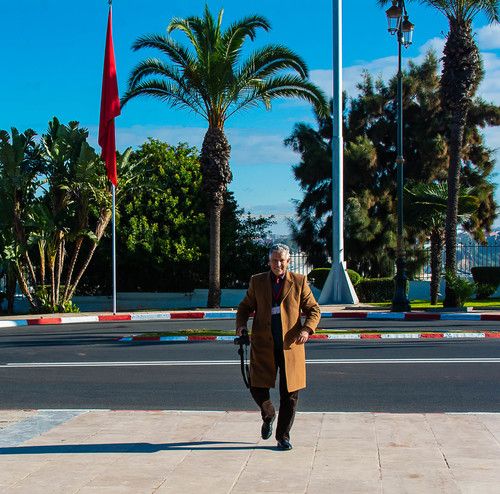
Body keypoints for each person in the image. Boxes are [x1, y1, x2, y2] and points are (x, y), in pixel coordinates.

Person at [236, 243, 321, 450]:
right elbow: (245, 307)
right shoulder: (257, 281)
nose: (278, 264)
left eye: (282, 260)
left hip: (291, 346)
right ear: (269, 261)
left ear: (288, 261)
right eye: (274, 260)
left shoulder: (299, 282)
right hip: (263, 345)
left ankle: (283, 436)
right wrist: (241, 326)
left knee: (290, 393)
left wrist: (306, 329)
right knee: (256, 385)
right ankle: (268, 415)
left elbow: (314, 310)